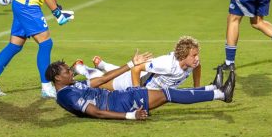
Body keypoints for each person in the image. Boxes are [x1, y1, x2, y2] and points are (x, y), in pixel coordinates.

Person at [45, 54, 235, 120]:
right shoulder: (66, 96)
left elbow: (102, 80)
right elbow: (96, 113)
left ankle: (212, 89)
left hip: (120, 97)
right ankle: (220, 94)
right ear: (57, 78)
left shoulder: (72, 85)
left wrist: (130, 64)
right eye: (67, 71)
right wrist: (130, 116)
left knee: (168, 93)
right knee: (168, 94)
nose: (71, 72)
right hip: (120, 105)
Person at [71, 36, 223, 92]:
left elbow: (198, 66)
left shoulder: (192, 63)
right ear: (183, 55)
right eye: (194, 55)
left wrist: (197, 87)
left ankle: (100, 65)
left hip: (149, 86)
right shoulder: (166, 64)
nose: (197, 58)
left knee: (112, 73)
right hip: (133, 82)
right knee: (101, 83)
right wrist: (137, 93)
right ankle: (82, 69)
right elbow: (136, 68)